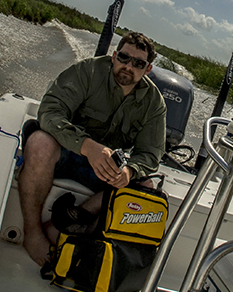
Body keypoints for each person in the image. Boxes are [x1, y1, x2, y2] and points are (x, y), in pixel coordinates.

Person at [17, 32, 167, 266]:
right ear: (114, 56)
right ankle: (33, 233)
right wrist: (86, 146)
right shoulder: (87, 72)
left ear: (147, 70)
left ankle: (66, 224)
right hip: (66, 153)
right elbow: (49, 112)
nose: (129, 66)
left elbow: (150, 153)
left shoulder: (154, 103)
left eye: (138, 63)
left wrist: (128, 172)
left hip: (105, 170)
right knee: (39, 142)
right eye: (124, 58)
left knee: (145, 187)